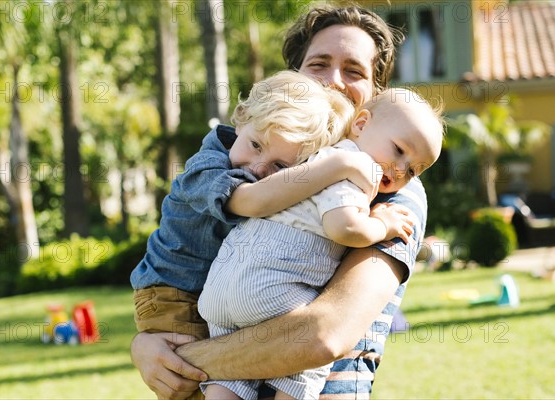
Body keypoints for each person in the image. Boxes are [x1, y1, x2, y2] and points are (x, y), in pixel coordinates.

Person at [130, 5, 427, 400]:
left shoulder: (393, 190)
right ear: (293, 77)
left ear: (374, 97)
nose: (334, 81)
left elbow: (322, 335)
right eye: (318, 63)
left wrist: (179, 358)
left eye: (354, 71)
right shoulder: (259, 158)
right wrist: (149, 343)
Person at [198, 87, 443, 400]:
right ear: (362, 124)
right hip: (270, 288)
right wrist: (382, 225)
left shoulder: (311, 154)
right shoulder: (357, 166)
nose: (399, 169)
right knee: (305, 360)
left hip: (220, 289)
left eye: (412, 170)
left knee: (229, 381)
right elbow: (344, 227)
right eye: (398, 150)